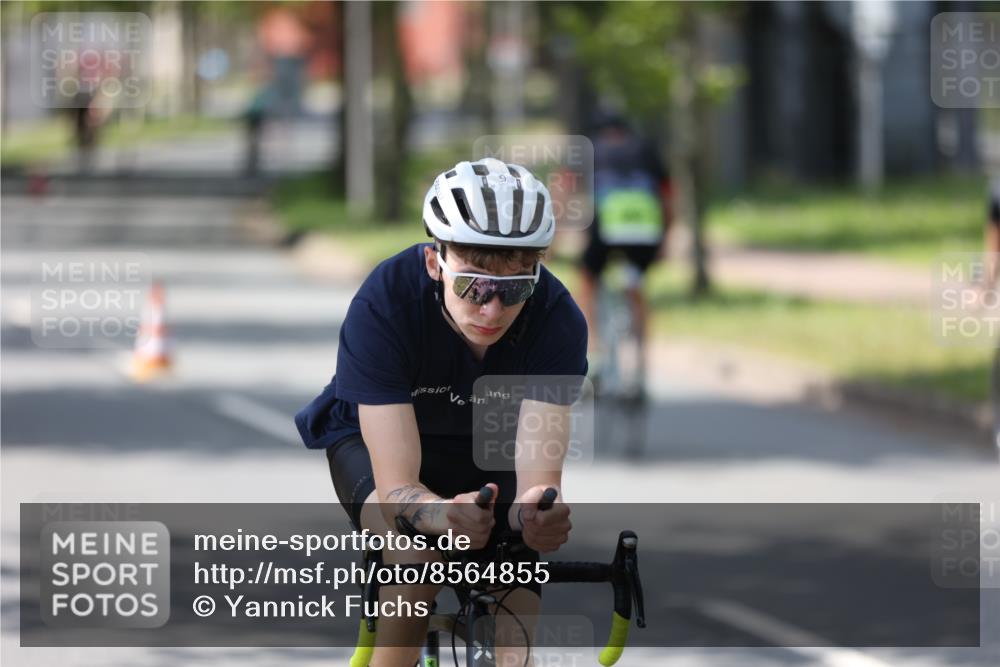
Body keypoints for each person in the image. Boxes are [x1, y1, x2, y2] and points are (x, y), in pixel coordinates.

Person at [295, 158, 587, 667]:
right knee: (417, 559)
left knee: (514, 633)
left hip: (483, 443)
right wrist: (439, 517)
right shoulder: (385, 304)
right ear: (435, 261)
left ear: (536, 275)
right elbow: (398, 491)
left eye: (514, 288)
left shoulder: (557, 318)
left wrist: (537, 516)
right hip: (377, 447)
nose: (492, 309)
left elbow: (538, 483)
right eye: (473, 285)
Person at [576, 113, 672, 391]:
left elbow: (565, 192)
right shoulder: (648, 150)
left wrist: (555, 242)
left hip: (607, 229)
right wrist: (665, 238)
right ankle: (641, 366)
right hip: (645, 232)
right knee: (636, 286)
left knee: (588, 279)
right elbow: (667, 197)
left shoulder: (589, 150)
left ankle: (593, 355)